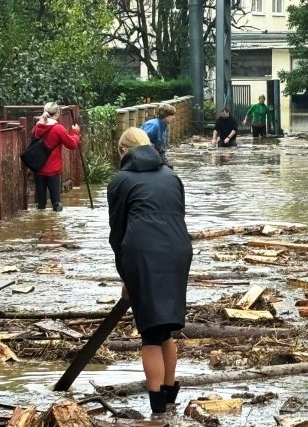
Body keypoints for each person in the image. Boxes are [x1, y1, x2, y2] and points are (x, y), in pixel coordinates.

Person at [107, 127, 192, 414]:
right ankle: (168, 401)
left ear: (123, 152)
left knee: (151, 334)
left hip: (143, 255)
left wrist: (126, 276)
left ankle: (156, 410)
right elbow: (176, 216)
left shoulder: (121, 180)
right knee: (166, 329)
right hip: (179, 252)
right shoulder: (171, 175)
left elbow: (117, 234)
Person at [31, 102, 81, 212]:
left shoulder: (37, 127)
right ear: (58, 113)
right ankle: (56, 226)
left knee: (41, 203)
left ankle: (40, 227)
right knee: (56, 203)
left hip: (38, 169)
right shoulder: (58, 128)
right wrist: (75, 132)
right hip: (53, 170)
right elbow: (72, 144)